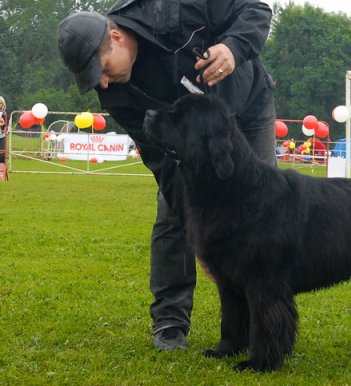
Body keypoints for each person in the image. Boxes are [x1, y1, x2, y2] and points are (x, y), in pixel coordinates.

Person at [57, 0, 276, 351]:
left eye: (100, 68)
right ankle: (170, 323)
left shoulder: (176, 7)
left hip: (247, 109)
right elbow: (162, 161)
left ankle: (258, 322)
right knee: (172, 215)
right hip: (187, 140)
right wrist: (199, 234)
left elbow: (255, 9)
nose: (101, 82)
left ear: (116, 37)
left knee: (261, 213)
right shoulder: (114, 93)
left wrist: (233, 47)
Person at [0, 96, 6, 164]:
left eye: (1, 103)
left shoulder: (4, 113)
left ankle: (1, 166)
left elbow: (5, 124)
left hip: (1, 135)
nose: (0, 105)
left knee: (2, 152)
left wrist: (3, 124)